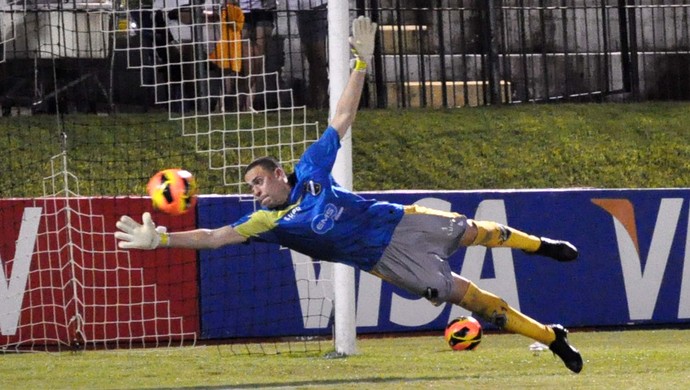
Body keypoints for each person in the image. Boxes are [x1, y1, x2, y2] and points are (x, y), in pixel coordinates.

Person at [115, 16, 583, 374]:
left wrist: (361, 63)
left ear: (279, 174)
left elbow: (341, 117)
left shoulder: (311, 168)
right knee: (473, 300)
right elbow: (215, 236)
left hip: (398, 220)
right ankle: (553, 337)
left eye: (257, 182)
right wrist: (163, 241)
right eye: (251, 189)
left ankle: (541, 244)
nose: (254, 193)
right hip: (389, 261)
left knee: (476, 231)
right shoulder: (271, 224)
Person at [290, 0, 329, 109]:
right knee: (310, 54)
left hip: (318, 6)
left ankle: (326, 93)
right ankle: (315, 97)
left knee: (318, 53)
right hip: (300, 8)